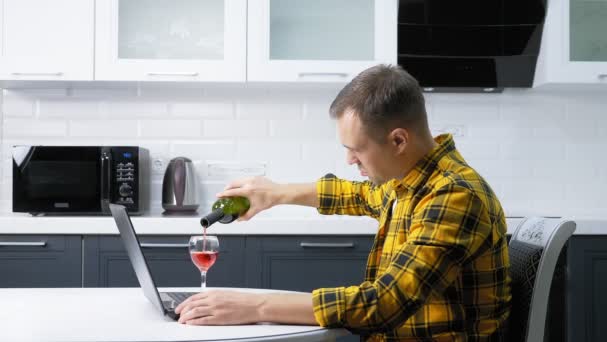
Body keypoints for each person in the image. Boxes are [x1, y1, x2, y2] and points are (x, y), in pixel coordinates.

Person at [175, 64, 511, 341]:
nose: (350, 160)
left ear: (398, 140)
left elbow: (385, 302)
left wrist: (255, 307)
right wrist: (274, 193)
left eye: (356, 148)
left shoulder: (454, 195)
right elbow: (361, 195)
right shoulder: (411, 183)